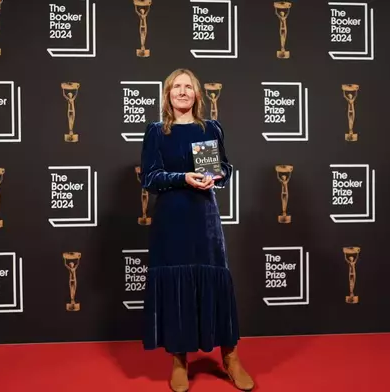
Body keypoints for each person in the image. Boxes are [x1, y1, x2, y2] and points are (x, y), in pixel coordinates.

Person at [140, 68, 254, 392]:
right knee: (177, 287)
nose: (182, 91)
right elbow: (149, 177)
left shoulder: (211, 128)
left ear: (196, 94)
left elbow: (225, 167)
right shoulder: (156, 132)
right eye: (176, 86)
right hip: (172, 220)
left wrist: (216, 176)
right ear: (168, 94)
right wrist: (182, 178)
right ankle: (179, 361)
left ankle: (231, 358)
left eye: (188, 87)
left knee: (215, 281)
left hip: (205, 217)